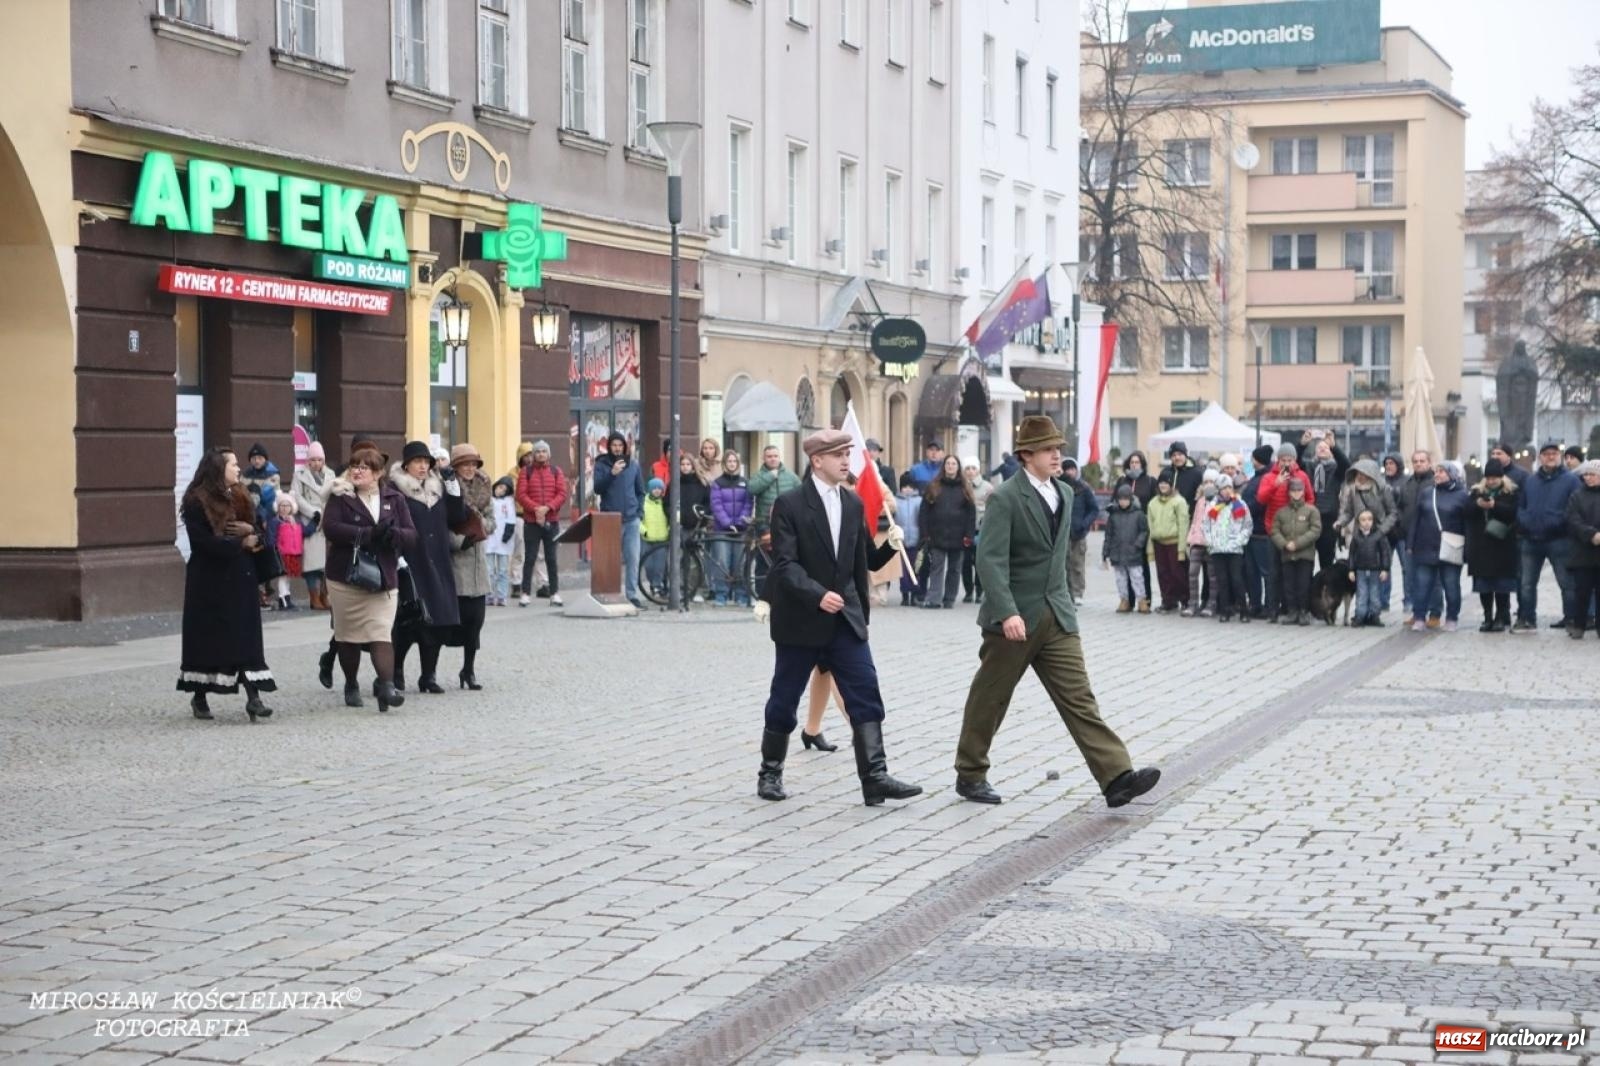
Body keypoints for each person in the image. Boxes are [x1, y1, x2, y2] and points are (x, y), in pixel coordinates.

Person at [953, 415, 1160, 808]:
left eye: (1059, 449)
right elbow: (990, 560)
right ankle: (970, 772)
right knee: (991, 697)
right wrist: (1007, 611)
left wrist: (1065, 603)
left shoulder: (1064, 493)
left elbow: (1058, 556)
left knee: (1080, 698)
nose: (1056, 455)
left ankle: (1116, 776)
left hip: (1058, 615)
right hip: (1014, 618)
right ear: (1026, 455)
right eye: (1049, 449)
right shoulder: (1005, 497)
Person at [756, 428, 920, 806]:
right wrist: (817, 594)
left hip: (845, 620)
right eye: (839, 455)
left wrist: (890, 547)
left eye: (849, 453)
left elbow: (860, 560)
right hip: (801, 620)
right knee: (784, 698)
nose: (848, 461)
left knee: (865, 692)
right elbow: (784, 564)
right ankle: (770, 772)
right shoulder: (790, 504)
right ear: (817, 461)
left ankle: (875, 777)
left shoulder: (852, 504)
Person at [176, 447, 277, 722]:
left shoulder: (242, 495)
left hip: (241, 578)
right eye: (233, 464)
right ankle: (199, 695)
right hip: (209, 581)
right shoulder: (198, 501)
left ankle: (254, 698)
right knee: (209, 637)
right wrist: (239, 542)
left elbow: (259, 531)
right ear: (218, 468)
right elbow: (203, 543)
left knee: (245, 636)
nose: (238, 468)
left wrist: (251, 533)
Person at [322, 446, 416, 713]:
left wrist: (392, 535)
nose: (357, 471)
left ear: (378, 473)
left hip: (383, 577)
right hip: (346, 577)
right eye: (354, 465)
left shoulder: (394, 498)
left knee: (380, 632)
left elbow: (412, 535)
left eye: (364, 467)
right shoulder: (340, 497)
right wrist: (367, 533)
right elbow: (332, 528)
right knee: (348, 635)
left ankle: (386, 686)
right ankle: (351, 683)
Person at [389, 441, 464, 693]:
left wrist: (453, 485)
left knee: (437, 621)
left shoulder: (438, 488)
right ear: (406, 464)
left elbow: (457, 517)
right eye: (418, 462)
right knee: (409, 621)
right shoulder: (395, 489)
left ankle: (428, 676)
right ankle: (396, 669)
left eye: (426, 462)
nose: (423, 466)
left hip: (438, 561)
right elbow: (391, 523)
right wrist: (397, 556)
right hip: (411, 561)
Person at [1514, 439, 1581, 633]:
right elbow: (1521, 506)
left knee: (1566, 583)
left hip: (1559, 539)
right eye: (1546, 454)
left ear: (1559, 457)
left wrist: (1557, 522)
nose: (1550, 457)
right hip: (1531, 539)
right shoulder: (1531, 480)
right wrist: (1524, 521)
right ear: (1541, 458)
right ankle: (1527, 618)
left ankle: (1571, 618)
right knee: (1527, 583)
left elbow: (1574, 508)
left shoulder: (1571, 480)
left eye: (1554, 454)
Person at [446, 444, 492, 689]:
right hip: (458, 559)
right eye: (465, 464)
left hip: (478, 558)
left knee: (476, 621)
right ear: (456, 467)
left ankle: (468, 669)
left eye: (473, 464)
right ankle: (428, 671)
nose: (470, 468)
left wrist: (481, 525)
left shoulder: (484, 488)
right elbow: (443, 526)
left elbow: (492, 520)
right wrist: (459, 540)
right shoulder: (449, 490)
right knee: (454, 621)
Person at [1407, 461, 1469, 633]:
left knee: (1451, 586)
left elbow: (1467, 524)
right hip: (1425, 546)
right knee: (1422, 585)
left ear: (1452, 474)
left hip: (1451, 548)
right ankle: (1419, 617)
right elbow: (1415, 520)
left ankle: (1451, 618)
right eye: (1436, 472)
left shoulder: (1462, 495)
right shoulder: (1427, 493)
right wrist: (1410, 544)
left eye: (1442, 472)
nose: (1437, 474)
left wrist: (1467, 550)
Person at [1258, 443, 1316, 623]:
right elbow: (1261, 499)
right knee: (1274, 573)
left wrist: (1305, 520)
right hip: (1274, 531)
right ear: (1278, 460)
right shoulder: (1269, 477)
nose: (1286, 463)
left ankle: (1297, 609)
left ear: (1295, 460)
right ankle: (1272, 609)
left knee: (1295, 574)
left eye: (1290, 460)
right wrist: (1276, 484)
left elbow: (1310, 498)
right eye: (1283, 460)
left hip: (1297, 532)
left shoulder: (1302, 476)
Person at [592, 431, 648, 608]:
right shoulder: (601, 464)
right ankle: (611, 593)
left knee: (633, 558)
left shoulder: (633, 465)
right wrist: (612, 473)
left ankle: (632, 594)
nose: (617, 448)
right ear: (609, 447)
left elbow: (640, 491)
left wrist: (639, 511)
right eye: (614, 445)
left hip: (631, 519)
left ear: (625, 446)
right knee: (612, 559)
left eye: (620, 445)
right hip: (610, 519)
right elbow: (597, 489)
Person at [1466, 458, 1519, 632]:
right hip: (1481, 546)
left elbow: (1513, 513)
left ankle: (1500, 618)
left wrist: (1495, 505)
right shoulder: (1476, 492)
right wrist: (1478, 505)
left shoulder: (1511, 492)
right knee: (1484, 586)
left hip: (1503, 545)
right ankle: (1487, 616)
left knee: (1502, 586)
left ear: (1501, 477)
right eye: (1488, 478)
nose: (1491, 481)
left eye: (1495, 478)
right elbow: (1465, 512)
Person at [515, 439, 567, 608]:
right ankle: (525, 593)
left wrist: (548, 508)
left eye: (544, 451)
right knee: (529, 557)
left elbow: (562, 494)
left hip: (551, 521)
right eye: (537, 452)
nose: (540, 454)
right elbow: (521, 495)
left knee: (551, 559)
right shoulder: (526, 472)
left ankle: (554, 593)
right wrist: (536, 509)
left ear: (548, 454)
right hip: (531, 521)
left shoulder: (556, 471)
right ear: (533, 455)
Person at [920, 454, 976, 610]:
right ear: (944, 466)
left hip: (959, 536)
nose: (951, 466)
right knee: (936, 567)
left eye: (954, 464)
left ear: (958, 467)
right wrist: (925, 534)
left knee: (954, 569)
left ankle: (949, 598)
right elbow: (924, 511)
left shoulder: (965, 488)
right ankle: (934, 599)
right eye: (948, 463)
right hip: (937, 535)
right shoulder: (934, 486)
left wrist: (969, 535)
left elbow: (971, 514)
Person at [1397, 450, 1443, 625]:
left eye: (1422, 461)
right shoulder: (1407, 484)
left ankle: (1435, 613)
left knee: (1434, 579)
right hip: (1409, 538)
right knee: (1412, 578)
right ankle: (1418, 613)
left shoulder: (1436, 483)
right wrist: (1400, 525)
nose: (1418, 464)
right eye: (1415, 461)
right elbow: (1400, 507)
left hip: (1431, 539)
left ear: (1429, 463)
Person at [1272, 477, 1321, 627]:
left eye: (1299, 490)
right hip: (1287, 554)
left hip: (1305, 555)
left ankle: (1304, 611)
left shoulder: (1311, 510)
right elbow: (1274, 531)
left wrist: (1298, 544)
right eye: (1293, 490)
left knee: (1303, 584)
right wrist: (1284, 544)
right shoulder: (1281, 512)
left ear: (1304, 491)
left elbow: (1315, 530)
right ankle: (1292, 612)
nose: (1296, 493)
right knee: (1289, 585)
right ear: (1288, 492)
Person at [1202, 476, 1252, 622]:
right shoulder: (1212, 506)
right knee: (1222, 581)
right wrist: (1211, 542)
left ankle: (1243, 610)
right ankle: (1225, 610)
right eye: (1224, 488)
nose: (1227, 491)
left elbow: (1247, 525)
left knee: (1237, 579)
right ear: (1218, 490)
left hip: (1234, 549)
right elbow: (1206, 526)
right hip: (1217, 549)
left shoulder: (1239, 504)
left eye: (1229, 487)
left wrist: (1239, 541)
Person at [709, 449, 754, 606]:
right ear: (724, 464)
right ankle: (721, 594)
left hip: (741, 529)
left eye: (734, 461)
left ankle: (741, 595)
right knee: (722, 563)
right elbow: (716, 505)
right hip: (722, 529)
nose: (732, 464)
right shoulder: (717, 483)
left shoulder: (745, 482)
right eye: (729, 461)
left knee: (740, 564)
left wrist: (741, 522)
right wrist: (728, 523)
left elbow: (748, 504)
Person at [291, 441, 333, 610]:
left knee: (328, 564)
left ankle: (324, 595)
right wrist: (313, 512)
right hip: (311, 523)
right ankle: (313, 597)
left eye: (320, 460)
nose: (316, 463)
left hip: (328, 522)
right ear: (308, 461)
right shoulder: (299, 475)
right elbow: (297, 497)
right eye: (313, 460)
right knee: (311, 565)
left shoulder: (331, 475)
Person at [1300, 433, 1348, 571]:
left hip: (1328, 520)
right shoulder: (1309, 465)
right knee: (1306, 561)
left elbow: (1346, 464)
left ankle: (1325, 590)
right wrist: (1302, 445)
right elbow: (1296, 461)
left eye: (1325, 447)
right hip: (1308, 518)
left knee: (1326, 561)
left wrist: (1334, 446)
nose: (1322, 449)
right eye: (1319, 447)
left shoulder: (1336, 469)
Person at [1146, 471, 1190, 613]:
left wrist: (1182, 548)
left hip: (1175, 542)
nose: (1163, 485)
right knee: (1163, 574)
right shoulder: (1152, 503)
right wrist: (1150, 547)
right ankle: (1168, 601)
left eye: (1166, 483)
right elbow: (1150, 525)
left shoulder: (1179, 501)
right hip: (1159, 543)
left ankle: (1185, 600)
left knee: (1178, 574)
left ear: (1171, 485)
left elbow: (1183, 524)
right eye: (1161, 483)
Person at [1566, 460, 1600, 639]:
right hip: (1583, 551)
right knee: (1581, 591)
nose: (1588, 478)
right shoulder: (1576, 496)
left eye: (1592, 474)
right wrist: (1591, 534)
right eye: (1585, 474)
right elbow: (1572, 519)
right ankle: (1579, 625)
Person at [1060, 459, 1102, 606]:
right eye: (1066, 469)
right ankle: (1065, 592)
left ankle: (1078, 592)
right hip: (1062, 533)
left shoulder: (1084, 488)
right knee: (1063, 564)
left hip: (1079, 533)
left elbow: (1094, 509)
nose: (1069, 472)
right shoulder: (1058, 487)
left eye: (1072, 469)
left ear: (1076, 470)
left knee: (1077, 564)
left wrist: (1084, 524)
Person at [1242, 444, 1277, 619]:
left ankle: (1269, 606)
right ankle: (1255, 604)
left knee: (1265, 571)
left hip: (1261, 531)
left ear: (1258, 460)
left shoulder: (1266, 478)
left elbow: (1259, 502)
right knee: (1252, 571)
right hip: (1252, 531)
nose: (1251, 461)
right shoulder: (1257, 477)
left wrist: (1244, 509)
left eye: (1253, 458)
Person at [1102, 484, 1149, 613]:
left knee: (1137, 577)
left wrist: (1138, 544)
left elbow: (1144, 531)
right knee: (1120, 579)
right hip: (1117, 552)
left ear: (1130, 499)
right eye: (1120, 499)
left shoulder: (1139, 514)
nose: (1123, 501)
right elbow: (1108, 535)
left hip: (1133, 552)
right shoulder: (1113, 515)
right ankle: (1124, 600)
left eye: (1125, 499)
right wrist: (1105, 553)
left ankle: (1142, 600)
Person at [1183, 473, 1219, 618]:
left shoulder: (1218, 501)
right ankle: (1193, 603)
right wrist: (1190, 538)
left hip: (1211, 543)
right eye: (1206, 482)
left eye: (1212, 481)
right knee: (1192, 573)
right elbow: (1195, 521)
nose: (1208, 484)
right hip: (1196, 542)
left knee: (1212, 576)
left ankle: (1211, 603)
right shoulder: (1199, 501)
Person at [1347, 509, 1391, 627]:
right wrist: (1351, 569)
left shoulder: (1379, 535)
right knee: (1361, 594)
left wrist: (1385, 569)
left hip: (1375, 570)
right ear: (1359, 522)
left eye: (1370, 519)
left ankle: (1374, 615)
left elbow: (1385, 553)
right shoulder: (1356, 537)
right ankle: (1360, 615)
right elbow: (1351, 554)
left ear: (1373, 521)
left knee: (1375, 593)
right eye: (1363, 520)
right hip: (1360, 570)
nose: (1367, 522)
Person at [676, 453, 710, 602]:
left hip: (697, 527)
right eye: (682, 464)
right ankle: (680, 590)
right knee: (678, 560)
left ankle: (696, 590)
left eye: (688, 464)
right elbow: (667, 503)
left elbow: (708, 504)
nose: (685, 467)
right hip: (679, 526)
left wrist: (703, 517)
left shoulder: (702, 483)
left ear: (693, 466)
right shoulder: (675, 483)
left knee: (697, 562)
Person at [961, 457, 995, 603]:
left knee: (980, 563)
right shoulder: (961, 487)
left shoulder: (988, 487)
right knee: (965, 563)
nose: (970, 471)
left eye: (973, 468)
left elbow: (993, 508)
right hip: (964, 531)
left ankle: (980, 591)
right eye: (967, 468)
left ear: (978, 470)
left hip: (982, 530)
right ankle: (968, 591)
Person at [748, 444, 802, 533]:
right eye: (769, 456)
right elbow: (751, 489)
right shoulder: (758, 475)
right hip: (765, 524)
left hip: (787, 521)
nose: (773, 459)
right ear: (764, 458)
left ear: (779, 457)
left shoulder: (791, 476)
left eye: (775, 456)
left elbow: (801, 495)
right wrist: (770, 476)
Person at [266, 495, 307, 611]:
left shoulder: (295, 521)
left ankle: (287, 598)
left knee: (288, 577)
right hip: (281, 554)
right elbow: (271, 538)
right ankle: (283, 600)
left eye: (287, 505)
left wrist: (315, 522)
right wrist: (274, 551)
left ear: (291, 507)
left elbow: (305, 531)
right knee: (283, 577)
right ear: (278, 507)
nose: (284, 508)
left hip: (293, 554)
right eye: (282, 505)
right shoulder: (275, 521)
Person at [485, 476, 518, 607]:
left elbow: (511, 520)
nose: (501, 491)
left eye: (504, 489)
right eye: (500, 487)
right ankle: (489, 594)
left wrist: (507, 535)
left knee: (503, 570)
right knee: (489, 570)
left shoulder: (509, 502)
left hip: (503, 541)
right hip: (489, 539)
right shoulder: (489, 500)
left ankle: (502, 595)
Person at [896, 474, 925, 607]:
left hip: (916, 539)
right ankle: (904, 594)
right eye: (904, 487)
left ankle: (915, 593)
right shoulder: (896, 501)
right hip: (900, 540)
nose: (907, 489)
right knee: (902, 570)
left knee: (916, 567)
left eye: (910, 487)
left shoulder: (919, 500)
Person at [641, 476, 671, 597]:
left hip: (661, 539)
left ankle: (657, 586)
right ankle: (653, 583)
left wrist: (668, 531)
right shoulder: (643, 502)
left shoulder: (665, 503)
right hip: (647, 539)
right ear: (650, 489)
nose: (657, 490)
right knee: (648, 566)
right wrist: (644, 531)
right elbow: (638, 520)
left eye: (660, 488)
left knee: (660, 566)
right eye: (655, 488)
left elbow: (670, 519)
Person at [1158, 442, 1203, 510]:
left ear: (1185, 455)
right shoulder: (1165, 472)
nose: (1177, 457)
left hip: (1188, 516)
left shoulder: (1196, 473)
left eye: (1180, 454)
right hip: (1168, 515)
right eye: (1174, 455)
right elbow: (1159, 492)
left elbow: (1201, 497)